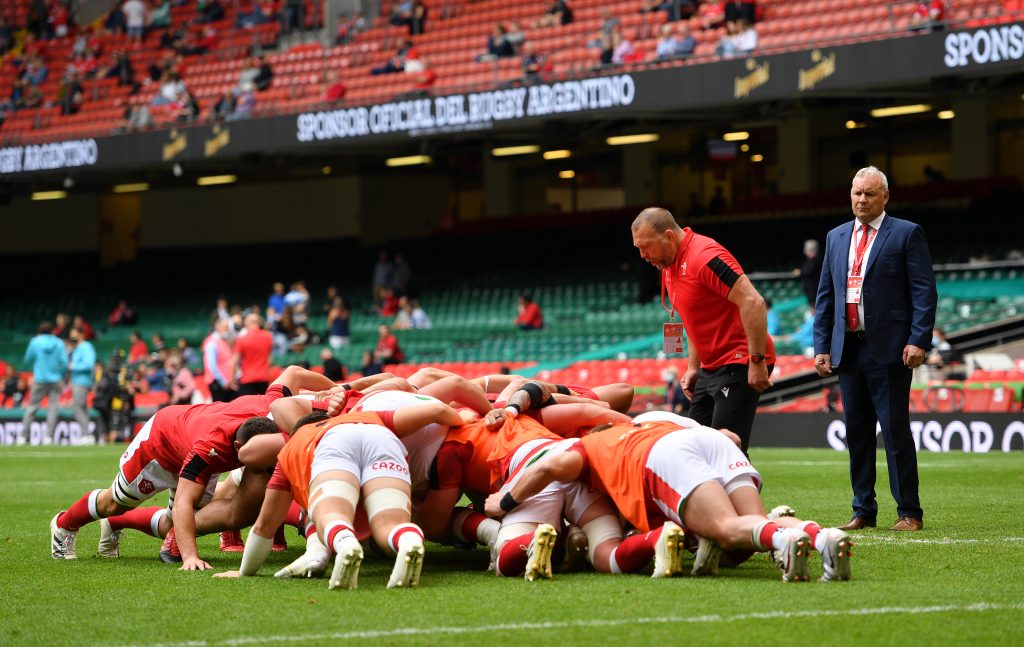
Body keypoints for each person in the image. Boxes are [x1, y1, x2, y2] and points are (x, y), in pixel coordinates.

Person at [485, 417, 853, 582]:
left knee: (727, 529)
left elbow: (548, 467)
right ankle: (822, 537)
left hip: (662, 456)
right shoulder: (642, 423)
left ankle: (787, 541)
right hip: (710, 439)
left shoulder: (590, 447)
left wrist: (503, 502)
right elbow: (732, 438)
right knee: (756, 524)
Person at [48, 365, 337, 566]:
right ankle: (64, 525)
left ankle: (115, 524)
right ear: (239, 450)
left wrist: (336, 390)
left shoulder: (270, 406)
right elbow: (185, 501)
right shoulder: (211, 448)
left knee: (176, 524)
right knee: (116, 502)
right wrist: (191, 557)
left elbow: (294, 372)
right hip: (160, 447)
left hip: (195, 438)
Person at [813, 166, 937, 533]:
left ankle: (909, 512)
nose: (861, 200)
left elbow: (923, 291)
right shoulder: (836, 237)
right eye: (856, 193)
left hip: (891, 349)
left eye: (869, 194)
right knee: (857, 433)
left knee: (896, 431)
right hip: (848, 349)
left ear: (885, 196)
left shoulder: (906, 233)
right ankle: (863, 509)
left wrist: (918, 338)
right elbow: (826, 296)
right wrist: (822, 345)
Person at [631, 207, 774, 453]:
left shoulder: (705, 256)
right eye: (638, 249)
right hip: (710, 369)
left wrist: (756, 360)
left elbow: (753, 302)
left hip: (739, 362)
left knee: (724, 450)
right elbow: (693, 320)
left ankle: (744, 490)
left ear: (668, 237)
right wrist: (693, 367)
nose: (643, 255)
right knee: (694, 449)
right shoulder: (669, 268)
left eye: (646, 246)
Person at [19, 322, 69, 445]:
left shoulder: (35, 341)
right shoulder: (59, 342)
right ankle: (49, 437)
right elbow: (64, 362)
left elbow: (27, 359)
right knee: (53, 409)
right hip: (56, 380)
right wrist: (59, 374)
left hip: (40, 379)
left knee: (31, 408)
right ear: (52, 331)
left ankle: (23, 437)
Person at [68, 327, 98, 443]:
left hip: (82, 381)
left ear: (81, 334)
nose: (72, 337)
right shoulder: (78, 348)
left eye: (73, 334)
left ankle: (87, 435)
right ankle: (87, 435)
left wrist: (73, 366)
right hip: (77, 381)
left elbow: (89, 364)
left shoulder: (86, 347)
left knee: (77, 407)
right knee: (82, 408)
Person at [233, 314, 273, 396]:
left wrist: (232, 378)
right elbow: (270, 359)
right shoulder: (268, 335)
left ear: (247, 323)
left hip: (247, 378)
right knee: (264, 406)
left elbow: (235, 360)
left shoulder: (241, 338)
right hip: (263, 377)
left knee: (248, 406)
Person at [204, 319, 236, 402]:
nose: (227, 330)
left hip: (227, 384)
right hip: (218, 383)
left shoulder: (223, 341)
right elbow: (212, 366)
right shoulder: (211, 343)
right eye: (225, 328)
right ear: (218, 327)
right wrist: (223, 382)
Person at [794, 239, 823, 305]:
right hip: (810, 290)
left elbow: (809, 271)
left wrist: (800, 272)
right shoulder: (810, 260)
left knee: (814, 305)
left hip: (814, 289)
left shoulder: (816, 259)